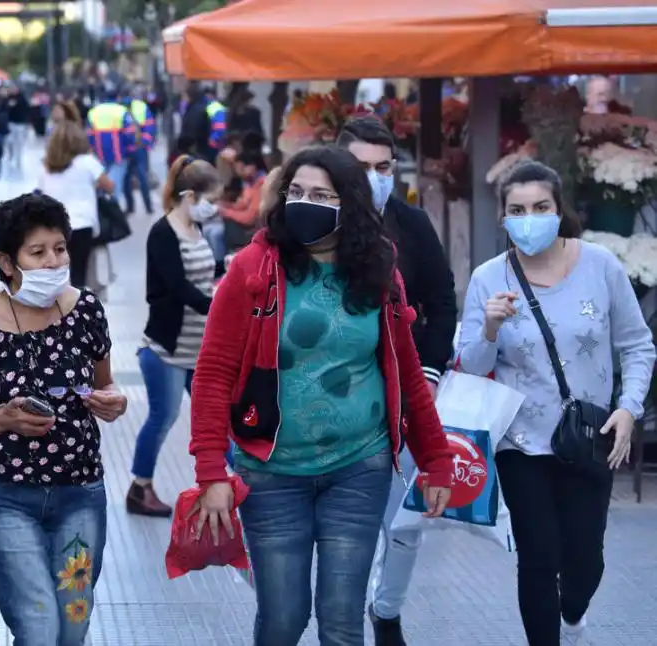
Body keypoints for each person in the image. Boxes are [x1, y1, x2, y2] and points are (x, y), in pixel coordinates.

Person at [190, 146, 454, 646]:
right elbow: (213, 372)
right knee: (284, 619)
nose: (304, 202)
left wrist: (435, 458)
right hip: (272, 472)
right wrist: (210, 470)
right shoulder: (252, 270)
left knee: (340, 622)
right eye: (296, 192)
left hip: (359, 466)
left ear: (348, 205)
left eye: (320, 195)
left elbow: (407, 372)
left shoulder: (379, 273)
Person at [455, 161, 655, 646]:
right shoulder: (489, 278)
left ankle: (573, 615)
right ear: (502, 218)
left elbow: (637, 344)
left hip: (591, 438)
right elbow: (468, 360)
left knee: (586, 559)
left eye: (540, 207)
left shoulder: (601, 266)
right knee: (538, 558)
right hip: (520, 443)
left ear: (558, 209)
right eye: (517, 210)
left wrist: (628, 409)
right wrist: (489, 326)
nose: (530, 217)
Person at [0, 193, 127, 646]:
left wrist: (114, 401)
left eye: (60, 248)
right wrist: (1, 419)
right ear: (6, 262)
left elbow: (103, 385)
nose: (53, 262)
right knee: (38, 628)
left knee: (72, 627)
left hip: (81, 494)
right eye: (38, 252)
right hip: (4, 500)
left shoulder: (86, 310)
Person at [334, 115, 457, 646]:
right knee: (348, 531)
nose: (376, 177)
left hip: (405, 402)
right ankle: (343, 619)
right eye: (363, 168)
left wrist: (427, 375)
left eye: (384, 167)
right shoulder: (317, 226)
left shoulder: (412, 225)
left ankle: (386, 612)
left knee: (405, 526)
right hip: (339, 407)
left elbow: (443, 301)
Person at [126, 156, 221, 517]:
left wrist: (227, 266)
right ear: (189, 196)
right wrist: (217, 308)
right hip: (168, 350)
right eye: (209, 199)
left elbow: (199, 271)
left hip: (198, 351)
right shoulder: (163, 232)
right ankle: (140, 487)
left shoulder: (197, 231)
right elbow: (177, 286)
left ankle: (241, 482)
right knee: (162, 418)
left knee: (214, 419)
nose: (214, 208)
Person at [38, 121, 115, 288]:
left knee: (57, 273)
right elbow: (109, 187)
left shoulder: (47, 166)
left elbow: (43, 192)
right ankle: (77, 309)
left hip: (54, 226)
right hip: (82, 223)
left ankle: (59, 308)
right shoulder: (87, 161)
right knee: (79, 274)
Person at [87, 87, 137, 199]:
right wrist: (131, 151)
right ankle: (113, 209)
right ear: (117, 97)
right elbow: (129, 134)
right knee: (115, 185)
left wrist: (92, 150)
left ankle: (103, 208)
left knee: (101, 183)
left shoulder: (94, 112)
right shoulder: (122, 111)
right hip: (119, 154)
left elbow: (89, 135)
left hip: (99, 155)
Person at [124, 86, 156, 215]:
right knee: (142, 177)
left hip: (129, 149)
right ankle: (147, 207)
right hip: (139, 148)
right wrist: (146, 142)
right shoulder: (142, 106)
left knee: (129, 178)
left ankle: (131, 207)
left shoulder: (120, 107)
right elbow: (150, 126)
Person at [179, 82, 214, 164]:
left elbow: (191, 132)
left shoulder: (195, 109)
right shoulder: (200, 106)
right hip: (203, 151)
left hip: (197, 153)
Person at [1, 83, 32, 173]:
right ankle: (10, 156)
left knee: (19, 142)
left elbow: (27, 110)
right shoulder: (6, 99)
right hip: (10, 123)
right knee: (9, 141)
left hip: (20, 124)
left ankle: (18, 158)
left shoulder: (22, 99)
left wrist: (27, 122)